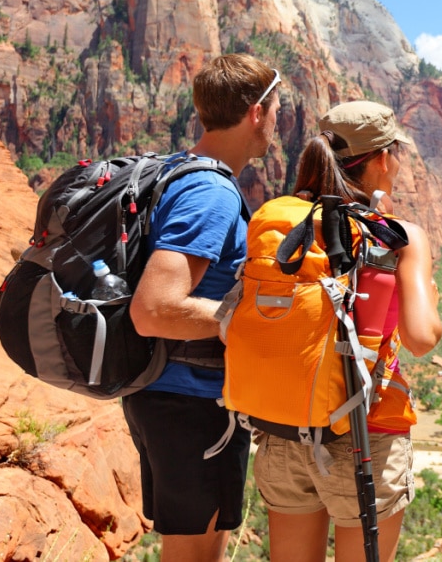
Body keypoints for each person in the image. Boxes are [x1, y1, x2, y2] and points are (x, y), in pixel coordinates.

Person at [254, 100, 442, 562]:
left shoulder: (281, 224)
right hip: (367, 432)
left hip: (285, 429)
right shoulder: (399, 235)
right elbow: (421, 337)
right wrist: (429, 294)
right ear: (382, 158)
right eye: (396, 152)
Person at [124, 53, 281, 562]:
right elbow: (153, 309)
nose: (278, 120)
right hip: (190, 402)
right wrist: (248, 321)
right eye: (276, 108)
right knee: (194, 555)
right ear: (256, 112)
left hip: (170, 396)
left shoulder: (179, 172)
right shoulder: (211, 191)